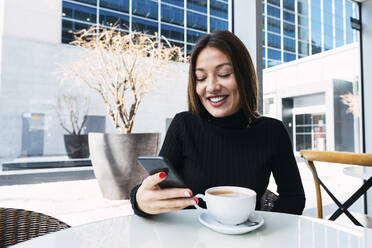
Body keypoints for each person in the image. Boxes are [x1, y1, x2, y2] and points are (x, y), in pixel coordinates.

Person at [130, 30, 305, 217]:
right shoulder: (183, 125)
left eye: (224, 74)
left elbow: (293, 197)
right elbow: (154, 190)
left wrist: (262, 232)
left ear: (244, 76)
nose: (212, 87)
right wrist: (140, 200)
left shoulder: (272, 131)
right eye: (201, 78)